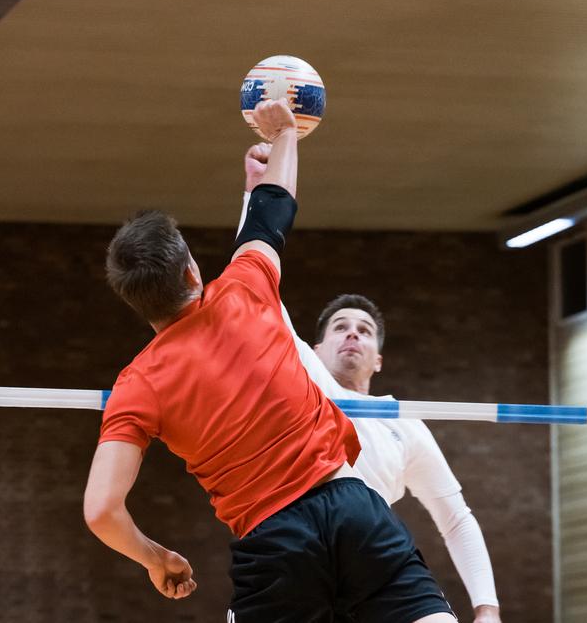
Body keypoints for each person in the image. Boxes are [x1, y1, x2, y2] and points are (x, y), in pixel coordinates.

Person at [83, 99, 456, 623]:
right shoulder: (245, 287)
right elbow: (275, 207)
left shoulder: (137, 385)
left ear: (134, 301)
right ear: (193, 271)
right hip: (353, 507)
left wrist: (154, 556)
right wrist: (284, 136)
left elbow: (101, 510)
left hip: (276, 543)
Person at [240, 150, 500, 623]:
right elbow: (254, 289)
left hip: (372, 565)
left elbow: (456, 518)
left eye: (364, 329)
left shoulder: (405, 423)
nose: (353, 333)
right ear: (314, 349)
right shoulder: (305, 375)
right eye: (340, 326)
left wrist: (487, 608)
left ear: (378, 359)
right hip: (296, 555)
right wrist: (255, 192)